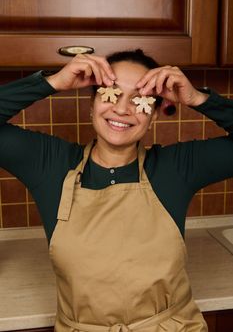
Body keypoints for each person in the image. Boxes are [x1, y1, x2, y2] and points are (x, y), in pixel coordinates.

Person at [1, 49, 233, 331]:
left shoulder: (177, 168)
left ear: (154, 116)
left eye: (140, 100)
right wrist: (53, 82)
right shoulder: (49, 165)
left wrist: (198, 98)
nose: (122, 109)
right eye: (110, 93)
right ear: (91, 103)